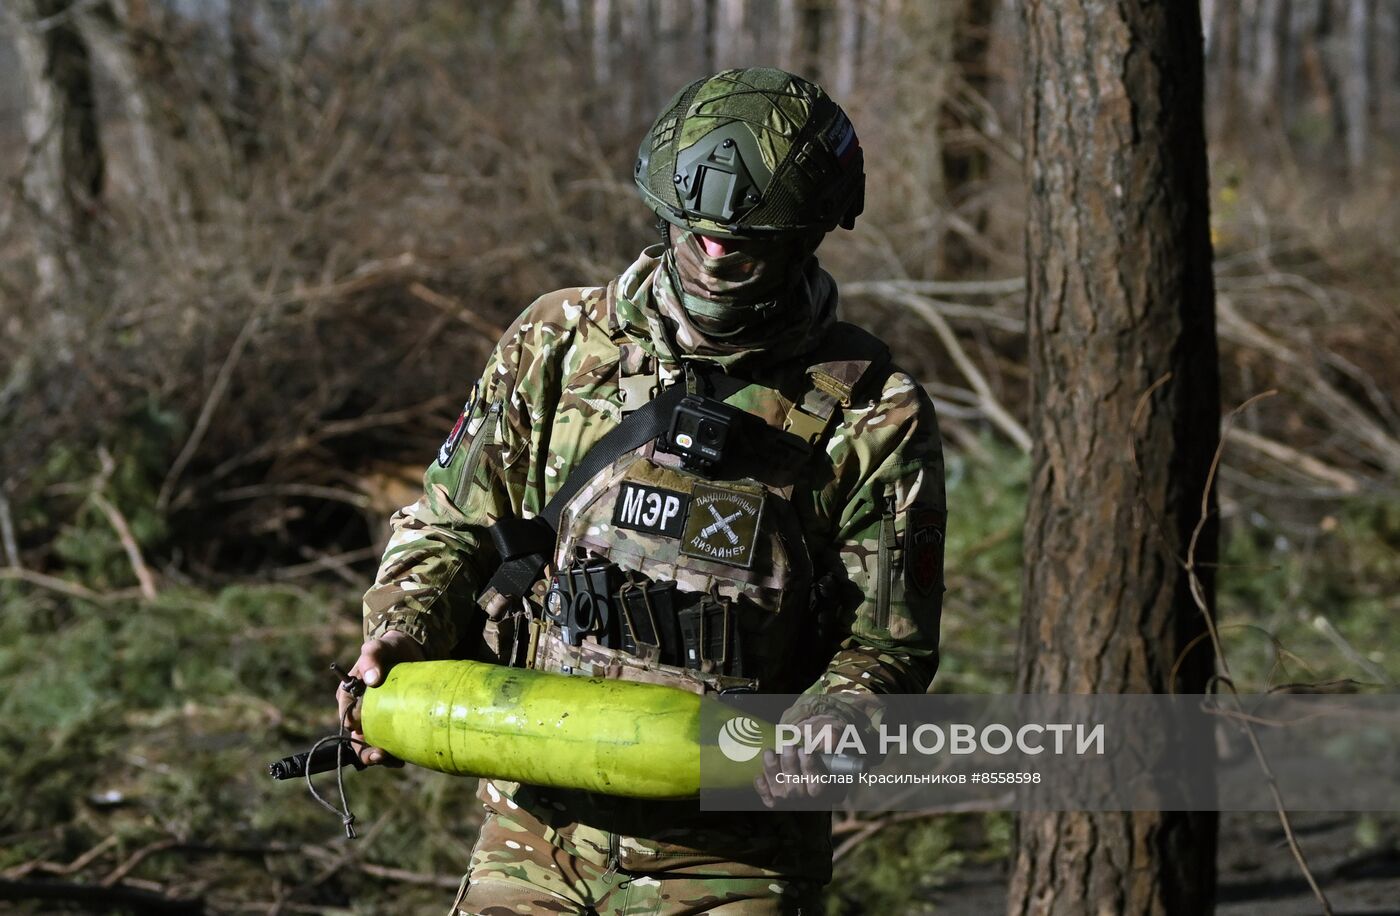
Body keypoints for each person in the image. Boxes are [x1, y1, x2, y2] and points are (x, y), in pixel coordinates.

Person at [337, 67, 946, 915]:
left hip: (735, 853)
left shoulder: (871, 413)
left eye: (748, 234)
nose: (717, 249)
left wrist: (828, 727)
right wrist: (399, 633)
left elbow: (888, 644)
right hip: (534, 828)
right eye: (695, 228)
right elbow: (449, 525)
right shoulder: (556, 345)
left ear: (810, 229)